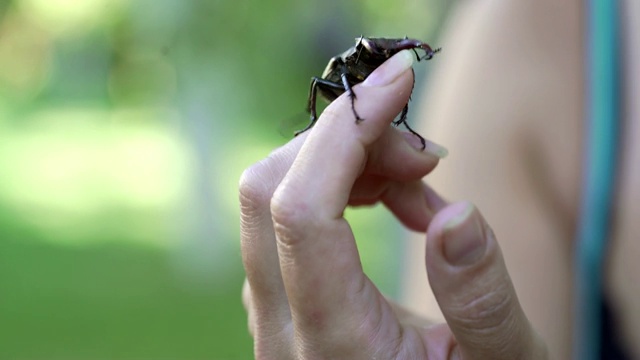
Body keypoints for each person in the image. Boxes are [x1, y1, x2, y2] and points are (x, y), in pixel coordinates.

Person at [239, 0, 638, 358]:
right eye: (382, 49)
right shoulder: (527, 34)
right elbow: (331, 82)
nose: (388, 52)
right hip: (338, 89)